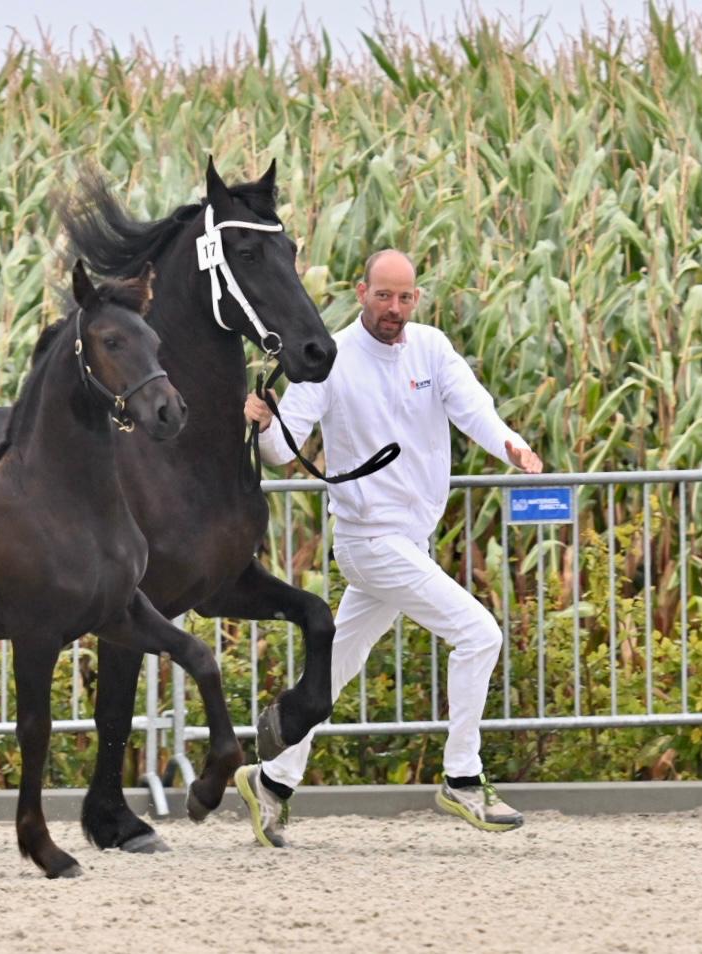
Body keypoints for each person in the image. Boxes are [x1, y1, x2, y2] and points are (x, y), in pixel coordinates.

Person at [233, 249, 544, 848]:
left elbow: (474, 407)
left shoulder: (432, 348)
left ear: (416, 299)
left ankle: (270, 781)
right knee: (480, 634)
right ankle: (463, 777)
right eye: (383, 296)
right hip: (368, 540)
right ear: (361, 293)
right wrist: (265, 423)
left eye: (404, 297)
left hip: (409, 544)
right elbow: (281, 451)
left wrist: (510, 444)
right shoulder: (329, 359)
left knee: (336, 666)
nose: (393, 308)